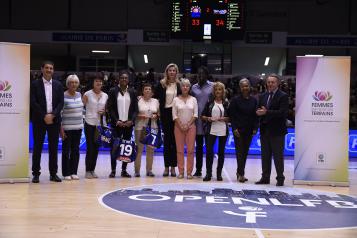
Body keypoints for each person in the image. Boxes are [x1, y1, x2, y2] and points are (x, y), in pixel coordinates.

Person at [30, 61, 64, 183]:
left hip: (54, 120)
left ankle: (53, 174)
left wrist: (53, 115)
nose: (49, 70)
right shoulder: (34, 84)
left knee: (53, 148)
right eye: (47, 68)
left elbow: (61, 102)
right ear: (42, 69)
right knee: (38, 147)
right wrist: (44, 115)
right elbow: (33, 102)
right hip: (39, 120)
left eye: (51, 68)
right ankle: (36, 174)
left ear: (53, 70)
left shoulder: (58, 85)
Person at [256, 74, 289, 186]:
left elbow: (283, 113)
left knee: (278, 156)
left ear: (278, 83)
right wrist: (259, 113)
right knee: (265, 156)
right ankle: (265, 177)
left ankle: (280, 178)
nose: (270, 84)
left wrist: (267, 112)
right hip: (265, 130)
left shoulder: (283, 96)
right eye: (268, 82)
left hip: (277, 132)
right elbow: (261, 110)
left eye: (272, 82)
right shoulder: (263, 96)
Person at [107, 70, 138, 178]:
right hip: (116, 124)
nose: (124, 79)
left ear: (128, 80)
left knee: (126, 147)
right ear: (119, 79)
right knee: (114, 147)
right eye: (122, 78)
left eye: (126, 78)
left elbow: (135, 109)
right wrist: (116, 121)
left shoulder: (133, 92)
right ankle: (113, 170)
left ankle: (124, 170)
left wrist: (131, 120)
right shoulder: (112, 91)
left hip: (128, 125)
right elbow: (110, 108)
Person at [228, 78, 258, 183]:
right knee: (239, 153)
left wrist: (255, 128)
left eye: (246, 86)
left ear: (249, 87)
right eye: (243, 86)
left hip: (249, 130)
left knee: (245, 153)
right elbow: (232, 116)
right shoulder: (235, 100)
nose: (245, 88)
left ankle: (240, 172)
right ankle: (241, 174)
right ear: (240, 88)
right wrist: (234, 128)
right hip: (238, 131)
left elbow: (256, 116)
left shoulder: (254, 100)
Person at [155, 63, 181, 177]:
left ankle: (173, 167)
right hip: (165, 114)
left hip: (176, 114)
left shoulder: (179, 85)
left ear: (176, 72)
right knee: (167, 142)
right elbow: (156, 100)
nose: (172, 72)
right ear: (167, 72)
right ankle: (166, 167)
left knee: (174, 142)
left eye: (174, 70)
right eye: (170, 70)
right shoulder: (161, 84)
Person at [201, 82, 229, 181]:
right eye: (216, 89)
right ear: (214, 91)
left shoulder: (226, 103)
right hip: (211, 129)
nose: (218, 91)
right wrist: (208, 118)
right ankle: (209, 174)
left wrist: (224, 118)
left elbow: (230, 117)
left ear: (223, 91)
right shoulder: (209, 102)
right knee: (209, 152)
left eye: (220, 89)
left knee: (221, 152)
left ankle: (219, 174)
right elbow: (202, 116)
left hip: (223, 130)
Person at [82, 73, 108, 179]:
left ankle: (93, 170)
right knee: (90, 148)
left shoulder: (106, 95)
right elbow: (81, 107)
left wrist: (104, 112)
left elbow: (107, 110)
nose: (99, 83)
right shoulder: (87, 94)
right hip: (89, 123)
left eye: (100, 81)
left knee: (96, 148)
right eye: (96, 81)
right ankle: (87, 170)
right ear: (93, 83)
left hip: (100, 125)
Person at [172, 79, 198, 179]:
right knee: (179, 151)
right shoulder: (176, 100)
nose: (185, 87)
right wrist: (181, 125)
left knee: (191, 151)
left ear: (189, 87)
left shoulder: (193, 99)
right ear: (180, 87)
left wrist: (187, 125)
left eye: (187, 86)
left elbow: (195, 115)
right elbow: (174, 115)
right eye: (183, 86)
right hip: (178, 127)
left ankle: (189, 172)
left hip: (191, 127)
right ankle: (181, 172)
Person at [190, 66, 213, 177]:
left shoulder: (213, 86)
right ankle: (198, 170)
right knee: (198, 147)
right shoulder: (193, 87)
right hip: (197, 121)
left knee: (209, 148)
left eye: (203, 73)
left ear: (207, 75)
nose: (200, 75)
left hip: (209, 121)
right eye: (198, 74)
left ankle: (209, 171)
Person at [60, 74, 84, 181]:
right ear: (68, 84)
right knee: (66, 151)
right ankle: (66, 173)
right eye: (71, 82)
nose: (74, 84)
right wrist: (60, 129)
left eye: (75, 82)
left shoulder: (79, 94)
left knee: (75, 151)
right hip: (66, 129)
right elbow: (59, 113)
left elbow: (81, 110)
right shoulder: (63, 95)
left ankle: (74, 172)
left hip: (78, 128)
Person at [134, 83, 160, 177]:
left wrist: (155, 115)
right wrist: (142, 116)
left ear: (152, 92)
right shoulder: (138, 100)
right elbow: (134, 114)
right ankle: (137, 171)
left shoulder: (156, 101)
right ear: (142, 91)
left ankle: (149, 170)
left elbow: (158, 114)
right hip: (140, 127)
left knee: (150, 150)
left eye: (149, 89)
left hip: (153, 127)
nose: (148, 90)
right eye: (146, 89)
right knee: (139, 150)